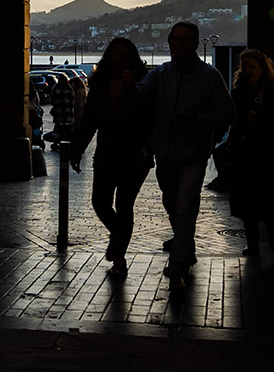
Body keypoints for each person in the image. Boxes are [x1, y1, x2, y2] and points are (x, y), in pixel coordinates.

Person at [137, 21, 236, 282]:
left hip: (193, 154)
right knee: (171, 203)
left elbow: (227, 112)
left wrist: (199, 122)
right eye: (176, 38)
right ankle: (186, 246)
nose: (180, 43)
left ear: (194, 43)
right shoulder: (160, 74)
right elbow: (140, 94)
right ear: (170, 42)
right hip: (165, 155)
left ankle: (178, 264)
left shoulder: (210, 76)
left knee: (185, 206)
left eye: (186, 39)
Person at [70, 38, 152, 273]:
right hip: (106, 153)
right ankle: (119, 240)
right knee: (100, 203)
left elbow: (148, 116)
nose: (119, 58)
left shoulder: (144, 82)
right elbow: (89, 120)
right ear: (108, 57)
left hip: (136, 155)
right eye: (115, 54)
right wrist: (78, 148)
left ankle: (119, 258)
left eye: (124, 54)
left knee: (125, 205)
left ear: (132, 57)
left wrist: (130, 88)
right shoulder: (99, 82)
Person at [221, 49, 274, 257]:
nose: (248, 71)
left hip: (267, 157)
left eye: (252, 67)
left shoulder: (273, 96)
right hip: (247, 156)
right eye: (245, 67)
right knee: (248, 203)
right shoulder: (239, 94)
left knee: (264, 201)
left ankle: (271, 237)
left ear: (262, 69)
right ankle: (254, 243)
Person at [49, 73, 76, 144]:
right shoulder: (69, 88)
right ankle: (69, 146)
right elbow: (73, 100)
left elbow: (52, 102)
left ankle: (62, 145)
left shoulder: (56, 88)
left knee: (61, 132)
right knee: (68, 131)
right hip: (69, 114)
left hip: (59, 114)